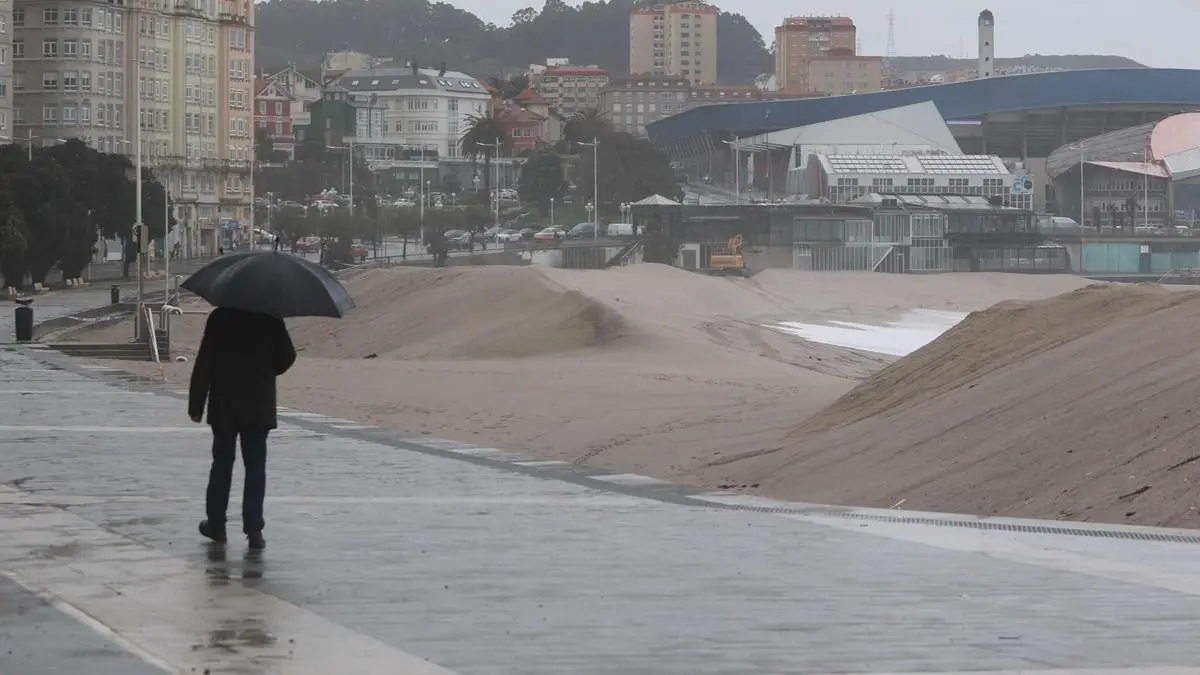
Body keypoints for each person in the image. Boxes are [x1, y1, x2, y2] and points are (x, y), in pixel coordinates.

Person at [188, 307, 296, 549]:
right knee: (255, 468)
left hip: (224, 404)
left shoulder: (220, 317)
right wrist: (266, 368)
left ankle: (216, 524)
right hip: (258, 403)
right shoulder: (271, 317)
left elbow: (204, 360)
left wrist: (196, 405)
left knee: (222, 463)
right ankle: (254, 530)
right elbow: (287, 357)